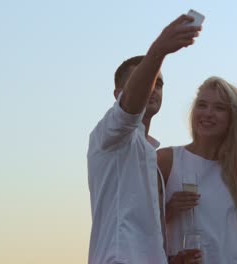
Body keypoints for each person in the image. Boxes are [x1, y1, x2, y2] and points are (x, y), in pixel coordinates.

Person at [87, 14, 203, 264]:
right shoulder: (110, 134)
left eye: (159, 84)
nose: (153, 88)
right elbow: (131, 107)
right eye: (148, 81)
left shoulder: (149, 152)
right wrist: (159, 50)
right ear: (118, 94)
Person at [157, 76, 237, 263]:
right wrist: (170, 209)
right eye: (202, 105)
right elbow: (142, 224)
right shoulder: (167, 159)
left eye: (219, 108)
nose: (208, 113)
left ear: (232, 118)